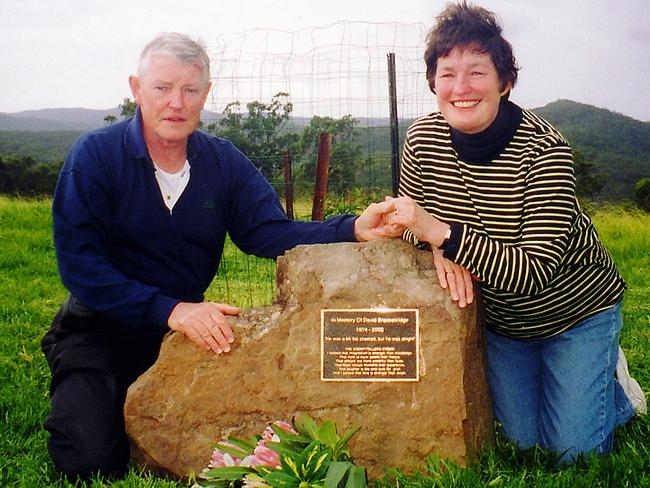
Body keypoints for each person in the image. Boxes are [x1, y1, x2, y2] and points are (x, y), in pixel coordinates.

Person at [41, 32, 402, 480]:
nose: (176, 102)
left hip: (177, 336)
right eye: (162, 88)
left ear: (205, 95)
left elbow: (267, 232)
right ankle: (82, 385)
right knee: (89, 461)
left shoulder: (222, 162)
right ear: (136, 89)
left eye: (190, 90)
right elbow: (80, 266)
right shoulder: (95, 156)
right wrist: (170, 309)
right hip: (97, 327)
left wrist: (351, 228)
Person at [386, 1, 646, 463]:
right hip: (502, 323)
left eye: (477, 73)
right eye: (446, 74)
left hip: (574, 311)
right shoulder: (421, 140)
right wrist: (435, 246)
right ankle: (574, 383)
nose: (460, 88)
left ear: (505, 82)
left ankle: (616, 387)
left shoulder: (545, 149)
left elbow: (534, 272)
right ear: (432, 82)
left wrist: (444, 235)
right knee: (523, 444)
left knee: (571, 455)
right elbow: (409, 223)